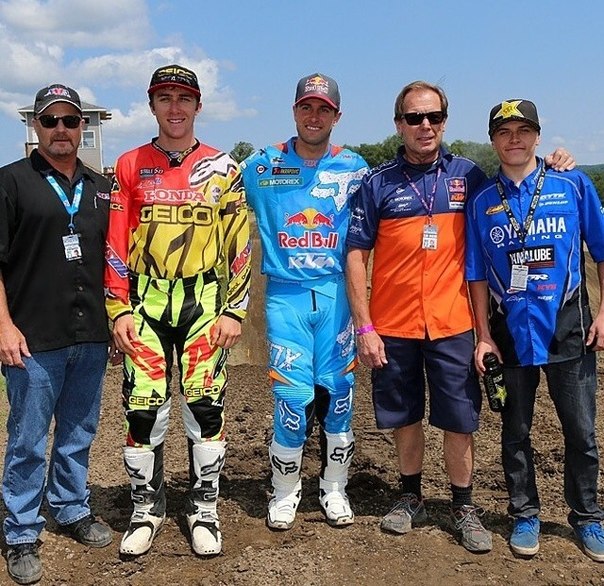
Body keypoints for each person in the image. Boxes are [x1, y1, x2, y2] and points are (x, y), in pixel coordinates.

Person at [345, 81, 574, 554]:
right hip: (393, 325)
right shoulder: (377, 182)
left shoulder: (469, 176)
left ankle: (463, 506)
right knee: (405, 416)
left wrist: (555, 164)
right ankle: (410, 496)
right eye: (414, 118)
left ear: (445, 122)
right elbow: (356, 255)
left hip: (454, 324)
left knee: (460, 420)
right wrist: (364, 327)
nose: (424, 126)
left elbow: (518, 181)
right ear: (399, 124)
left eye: (433, 117)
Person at [105, 64, 251, 558]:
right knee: (142, 408)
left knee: (205, 406)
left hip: (203, 302)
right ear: (151, 105)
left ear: (198, 106)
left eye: (184, 98)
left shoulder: (223, 167)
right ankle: (146, 508)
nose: (174, 107)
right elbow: (116, 242)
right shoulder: (129, 164)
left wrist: (235, 309)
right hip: (144, 303)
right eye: (164, 97)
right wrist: (118, 309)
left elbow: (239, 243)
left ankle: (203, 507)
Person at [466, 98, 604, 561]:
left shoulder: (572, 183)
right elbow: (476, 274)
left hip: (570, 327)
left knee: (581, 431)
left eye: (523, 130)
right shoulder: (482, 200)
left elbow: (601, 250)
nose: (515, 139)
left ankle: (587, 516)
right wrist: (483, 334)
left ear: (538, 136)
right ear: (493, 141)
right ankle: (524, 513)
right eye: (504, 132)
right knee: (515, 431)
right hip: (509, 332)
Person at [240, 73, 368, 530]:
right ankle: (285, 490)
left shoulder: (354, 168)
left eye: (324, 109)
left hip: (336, 296)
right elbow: (212, 194)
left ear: (337, 116)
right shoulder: (261, 165)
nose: (315, 117)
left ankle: (334, 487)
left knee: (340, 396)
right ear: (294, 110)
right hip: (285, 297)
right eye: (307, 107)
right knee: (291, 400)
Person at [0, 84, 112, 585]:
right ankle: (21, 531)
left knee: (78, 432)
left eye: (70, 120)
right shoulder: (10, 182)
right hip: (31, 339)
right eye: (50, 121)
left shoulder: (100, 187)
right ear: (36, 126)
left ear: (82, 126)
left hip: (90, 335)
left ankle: (70, 507)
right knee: (27, 440)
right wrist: (3, 326)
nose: (61, 130)